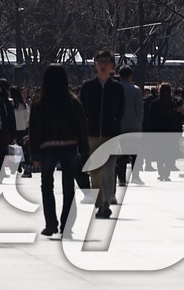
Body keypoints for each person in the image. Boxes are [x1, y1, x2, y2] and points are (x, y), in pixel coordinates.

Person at [27, 65, 90, 238]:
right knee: (68, 187)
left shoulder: (40, 101)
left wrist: (34, 153)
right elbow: (82, 126)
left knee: (46, 186)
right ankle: (66, 225)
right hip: (69, 147)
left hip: (47, 148)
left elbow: (34, 129)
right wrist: (84, 150)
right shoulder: (72, 100)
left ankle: (50, 223)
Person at [79, 50, 124, 218]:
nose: (103, 65)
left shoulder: (117, 88)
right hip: (92, 134)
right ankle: (100, 204)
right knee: (96, 172)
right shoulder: (88, 87)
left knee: (110, 170)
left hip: (110, 134)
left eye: (107, 62)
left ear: (112, 65)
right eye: (100, 61)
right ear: (95, 64)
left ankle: (107, 201)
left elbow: (121, 111)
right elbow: (81, 110)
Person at [145, 82, 184, 179]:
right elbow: (179, 118)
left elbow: (150, 118)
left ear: (160, 91)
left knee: (159, 153)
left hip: (158, 131)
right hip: (171, 131)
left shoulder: (154, 104)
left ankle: (161, 172)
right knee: (169, 153)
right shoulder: (174, 104)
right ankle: (167, 172)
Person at [117, 66, 145, 185]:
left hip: (119, 126)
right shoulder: (136, 90)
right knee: (136, 153)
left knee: (121, 154)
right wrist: (140, 121)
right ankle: (135, 176)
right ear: (130, 76)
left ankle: (121, 178)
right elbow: (139, 108)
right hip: (134, 126)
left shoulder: (115, 89)